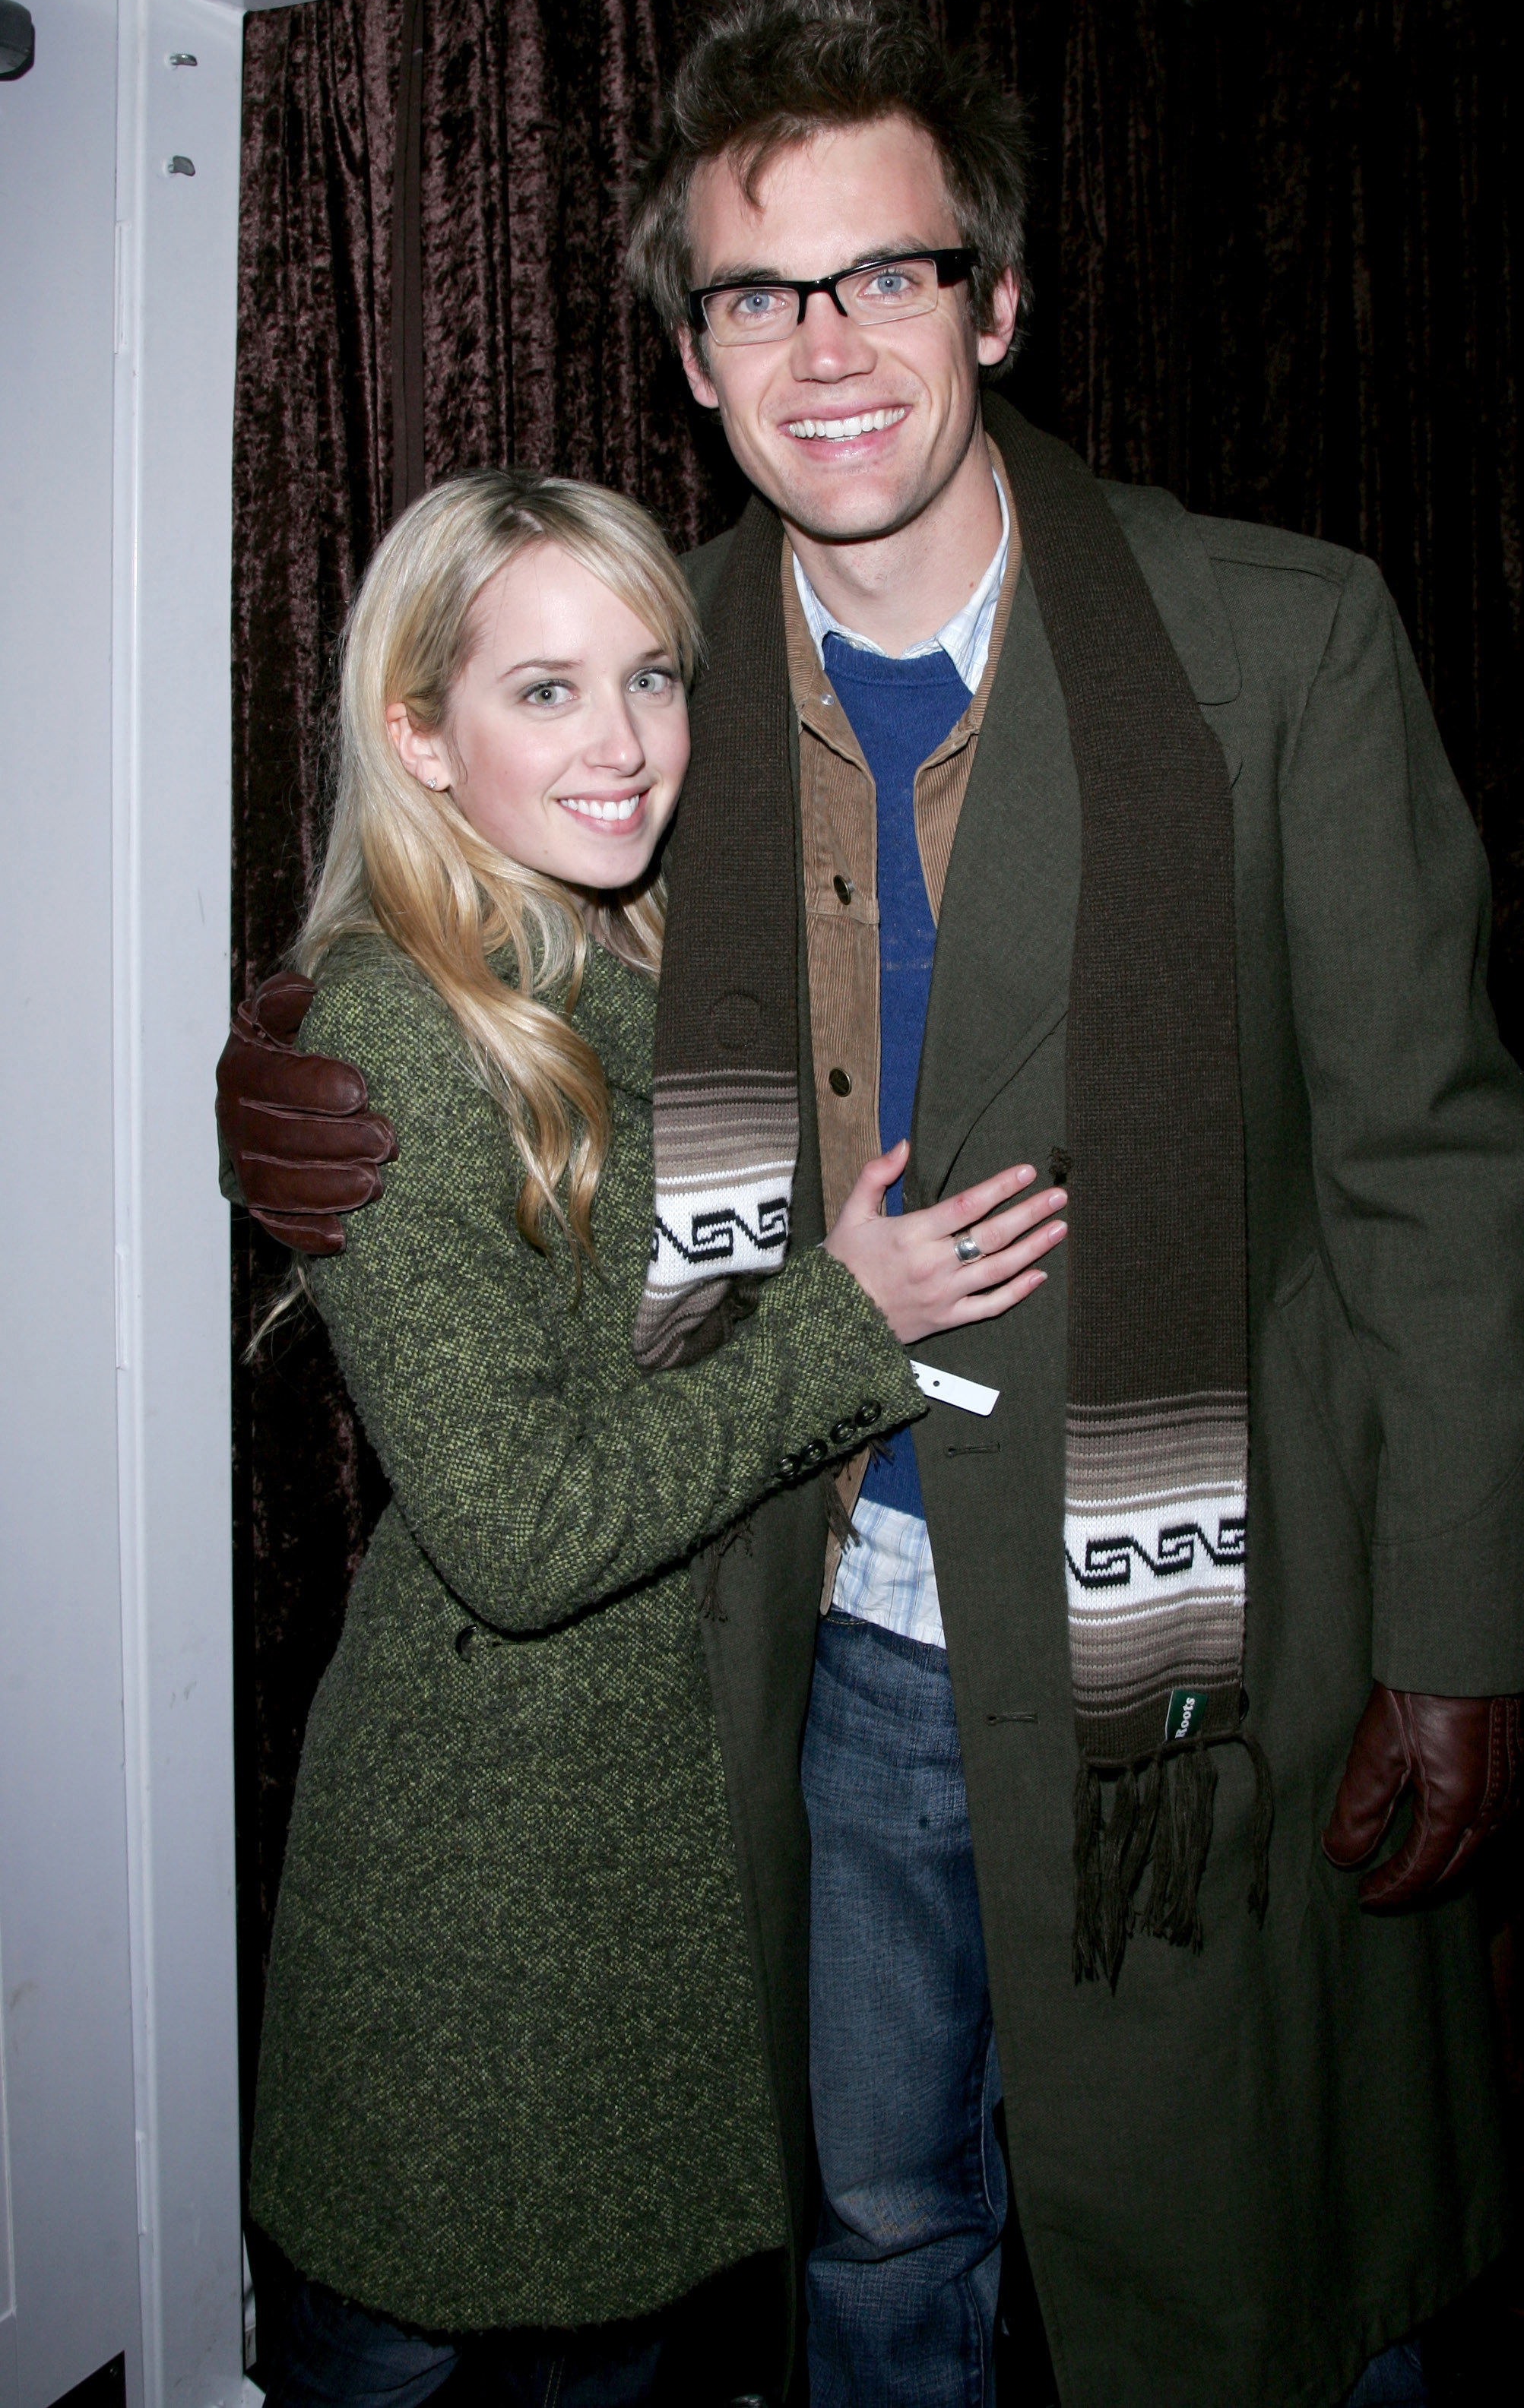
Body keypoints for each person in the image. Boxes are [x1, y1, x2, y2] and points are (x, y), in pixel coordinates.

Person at [219, 0, 1524, 2408]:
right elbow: (475, 941)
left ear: (997, 300)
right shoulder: (656, 684)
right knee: (876, 2241)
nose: (825, 348)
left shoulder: (1275, 641)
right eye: (755, 291)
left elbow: (1433, 1172)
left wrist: (1466, 1628)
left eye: (887, 274)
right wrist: (290, 1052)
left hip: (1206, 1632)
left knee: (1250, 2243)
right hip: (821, 1624)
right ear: (691, 353)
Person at [234, 467, 1066, 2406]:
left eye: (652, 677)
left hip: (674, 1821)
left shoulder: (663, 946)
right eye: (542, 692)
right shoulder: (394, 1035)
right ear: (417, 734)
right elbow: (519, 1530)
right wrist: (853, 1328)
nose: (622, 747)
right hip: (486, 1870)